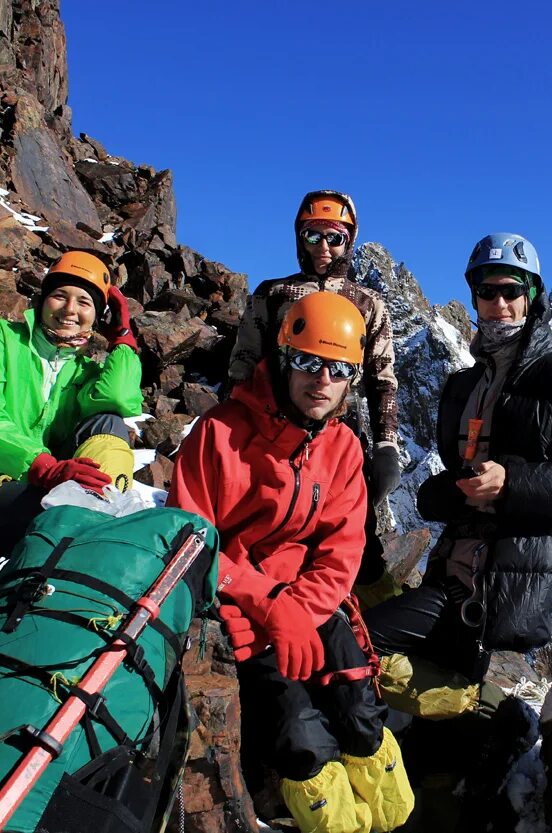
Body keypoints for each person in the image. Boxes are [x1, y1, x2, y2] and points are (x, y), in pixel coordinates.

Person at [363, 233, 552, 824]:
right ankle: (490, 725)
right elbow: (447, 482)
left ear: (532, 297)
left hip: (507, 584)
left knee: (361, 641)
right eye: (487, 292)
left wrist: (511, 484)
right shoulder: (462, 385)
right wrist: (446, 491)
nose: (500, 305)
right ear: (474, 298)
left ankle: (474, 735)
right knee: (432, 713)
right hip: (451, 569)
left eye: (513, 291)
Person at [169, 292, 414, 833]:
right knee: (301, 736)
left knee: (361, 716)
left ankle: (393, 821)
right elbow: (189, 544)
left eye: (339, 368)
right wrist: (271, 607)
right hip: (237, 611)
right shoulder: (218, 436)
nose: (321, 379)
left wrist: (301, 611)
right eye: (308, 361)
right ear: (282, 358)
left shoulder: (344, 448)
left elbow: (341, 550)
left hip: (315, 605)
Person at [227, 190, 402, 605]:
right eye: (312, 236)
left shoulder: (369, 304)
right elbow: (243, 364)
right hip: (272, 431)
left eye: (334, 237)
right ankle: (268, 598)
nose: (323, 247)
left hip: (343, 436)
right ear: (298, 239)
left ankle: (370, 620)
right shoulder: (272, 295)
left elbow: (382, 379)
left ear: (350, 241)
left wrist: (387, 443)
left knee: (354, 530)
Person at [0, 251, 141, 563]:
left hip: (43, 492)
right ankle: (97, 531)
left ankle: (105, 506)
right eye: (60, 296)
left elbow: (119, 398)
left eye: (84, 302)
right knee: (60, 522)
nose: (70, 310)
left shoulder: (81, 373)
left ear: (98, 316)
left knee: (107, 421)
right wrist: (42, 466)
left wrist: (122, 338)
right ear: (43, 300)